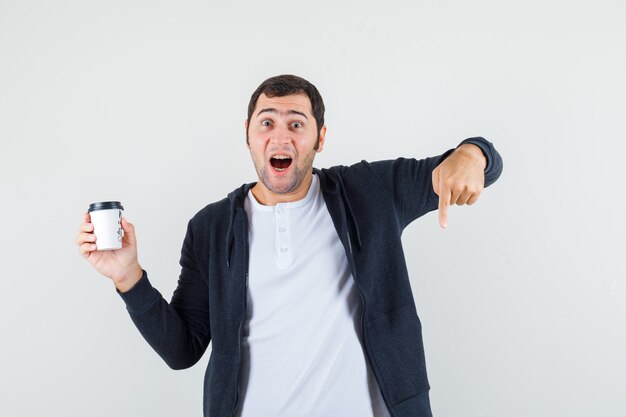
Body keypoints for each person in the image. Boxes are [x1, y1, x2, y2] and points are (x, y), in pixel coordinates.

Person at [76, 74, 503, 417]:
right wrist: (128, 278)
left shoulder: (369, 192)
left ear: (320, 137)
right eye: (267, 122)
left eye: (296, 123)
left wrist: (472, 154)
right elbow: (182, 350)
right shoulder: (210, 227)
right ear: (248, 133)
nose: (280, 138)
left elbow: (481, 163)